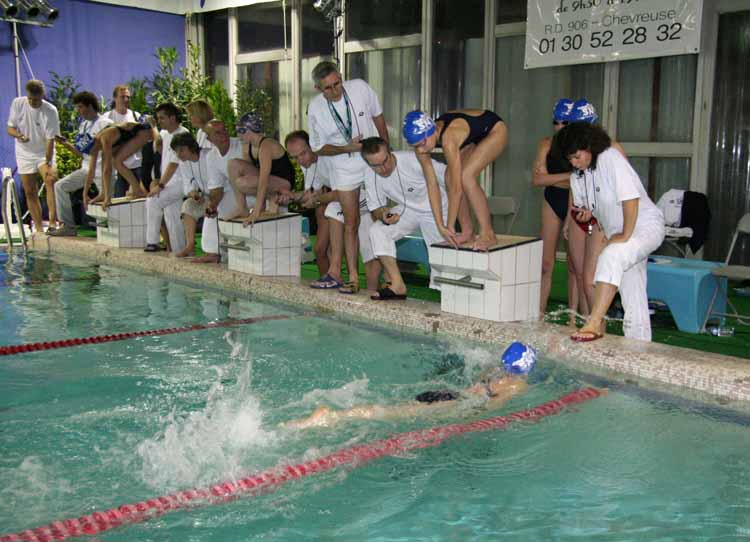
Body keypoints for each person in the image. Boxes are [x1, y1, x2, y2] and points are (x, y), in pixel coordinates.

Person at [552, 122, 665, 342]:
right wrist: (587, 214)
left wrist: (625, 235)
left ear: (588, 147)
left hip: (645, 225)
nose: (574, 163)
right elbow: (592, 209)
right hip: (619, 231)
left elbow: (630, 198)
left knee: (612, 255)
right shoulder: (578, 176)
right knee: (632, 292)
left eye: (577, 156)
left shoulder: (610, 158)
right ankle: (639, 346)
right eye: (570, 159)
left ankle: (594, 322)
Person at [282, 341, 535, 429]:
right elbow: (489, 409)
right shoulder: (517, 386)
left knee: (397, 407)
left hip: (444, 393)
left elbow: (476, 385)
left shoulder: (492, 369)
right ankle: (334, 416)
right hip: (454, 402)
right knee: (390, 413)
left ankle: (337, 415)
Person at [307, 60, 389, 294]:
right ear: (318, 89)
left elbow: (378, 117)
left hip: (371, 162)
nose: (335, 91)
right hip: (344, 169)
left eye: (337, 83)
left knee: (379, 220)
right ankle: (352, 278)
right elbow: (318, 148)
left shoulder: (360, 87)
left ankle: (388, 279)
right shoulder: (315, 108)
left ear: (341, 76)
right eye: (328, 88)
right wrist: (347, 148)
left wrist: (386, 149)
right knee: (351, 223)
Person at [533, 98, 607, 322]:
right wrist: (571, 177)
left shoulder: (584, 147)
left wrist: (555, 178)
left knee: (577, 268)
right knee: (545, 264)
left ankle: (578, 318)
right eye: (556, 122)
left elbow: (583, 179)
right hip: (554, 201)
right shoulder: (547, 144)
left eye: (565, 123)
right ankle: (539, 314)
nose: (560, 127)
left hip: (578, 203)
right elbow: (537, 180)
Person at [403, 108, 508, 251]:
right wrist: (441, 225)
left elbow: (456, 189)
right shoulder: (422, 145)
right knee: (448, 177)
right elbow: (432, 184)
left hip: (494, 130)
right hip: (471, 137)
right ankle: (467, 231)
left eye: (422, 144)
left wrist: (450, 226)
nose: (421, 150)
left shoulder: (449, 138)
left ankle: (488, 233)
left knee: (466, 176)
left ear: (431, 131)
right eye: (415, 146)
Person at [361, 137, 449, 301]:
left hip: (437, 207)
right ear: (368, 164)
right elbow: (376, 208)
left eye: (385, 161)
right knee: (378, 230)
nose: (383, 168)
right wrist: (385, 216)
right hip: (407, 208)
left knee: (441, 260)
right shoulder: (370, 174)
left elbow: (451, 176)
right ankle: (397, 285)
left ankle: (453, 299)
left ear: (390, 152)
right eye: (376, 165)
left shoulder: (413, 160)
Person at [48, 91, 114, 237]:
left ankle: (115, 232)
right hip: (87, 169)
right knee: (60, 186)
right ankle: (68, 226)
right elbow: (82, 153)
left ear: (89, 106)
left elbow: (111, 150)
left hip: (103, 170)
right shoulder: (83, 125)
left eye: (80, 107)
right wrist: (65, 144)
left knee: (109, 203)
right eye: (77, 107)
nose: (78, 110)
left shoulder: (106, 124)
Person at [6, 79, 61, 233]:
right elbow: (10, 128)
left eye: (36, 100)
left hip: (44, 152)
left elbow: (50, 140)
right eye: (30, 99)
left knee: (50, 180)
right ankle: (38, 229)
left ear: (42, 96)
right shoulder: (18, 103)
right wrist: (19, 135)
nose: (32, 102)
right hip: (24, 153)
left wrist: (48, 162)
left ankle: (52, 223)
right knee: (30, 191)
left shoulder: (50, 110)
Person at [226, 112, 296, 225]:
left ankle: (274, 195)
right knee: (233, 165)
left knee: (243, 183)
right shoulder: (247, 146)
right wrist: (262, 206)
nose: (238, 135)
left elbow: (263, 180)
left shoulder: (266, 146)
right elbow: (252, 174)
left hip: (284, 182)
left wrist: (256, 212)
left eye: (240, 131)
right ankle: (242, 208)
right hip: (269, 180)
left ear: (249, 131)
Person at [284, 130, 335, 279]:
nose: (300, 160)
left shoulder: (329, 159)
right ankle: (326, 281)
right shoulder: (308, 163)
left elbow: (344, 193)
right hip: (332, 198)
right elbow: (311, 193)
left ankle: (337, 278)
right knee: (320, 249)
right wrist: (291, 196)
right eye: (295, 157)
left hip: (354, 196)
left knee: (330, 249)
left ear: (312, 145)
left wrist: (316, 200)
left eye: (303, 153)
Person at [144, 102, 189, 253]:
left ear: (172, 118)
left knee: (153, 200)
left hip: (180, 182)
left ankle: (152, 242)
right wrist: (153, 128)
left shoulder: (182, 134)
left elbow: (174, 164)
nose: (159, 121)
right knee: (172, 218)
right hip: (170, 182)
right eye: (158, 118)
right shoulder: (165, 133)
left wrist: (160, 185)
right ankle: (179, 250)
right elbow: (158, 141)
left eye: (162, 118)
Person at [86, 119, 155, 209]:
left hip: (143, 131)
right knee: (111, 160)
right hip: (135, 133)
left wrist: (107, 197)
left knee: (117, 162)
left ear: (94, 142)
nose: (93, 152)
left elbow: (108, 170)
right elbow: (91, 171)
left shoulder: (105, 138)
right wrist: (85, 195)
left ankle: (137, 190)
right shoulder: (95, 144)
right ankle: (104, 193)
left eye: (92, 150)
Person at [203, 119, 245, 263]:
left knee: (225, 208)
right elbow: (217, 189)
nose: (223, 135)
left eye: (224, 130)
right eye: (217, 133)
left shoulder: (241, 146)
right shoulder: (211, 156)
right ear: (209, 139)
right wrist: (212, 205)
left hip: (255, 191)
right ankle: (213, 252)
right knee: (213, 210)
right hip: (237, 193)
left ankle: (233, 253)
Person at [170, 132, 214, 258]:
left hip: (220, 196)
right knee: (188, 205)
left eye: (181, 150)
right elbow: (188, 183)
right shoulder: (184, 163)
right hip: (205, 197)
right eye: (176, 152)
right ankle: (190, 246)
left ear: (191, 146)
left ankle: (212, 251)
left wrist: (211, 198)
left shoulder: (209, 155)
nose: (179, 155)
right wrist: (193, 193)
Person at [106, 85, 144, 198]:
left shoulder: (136, 116)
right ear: (115, 98)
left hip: (137, 165)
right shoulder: (107, 117)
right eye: (122, 97)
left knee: (140, 199)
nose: (126, 100)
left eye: (128, 97)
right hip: (118, 169)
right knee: (119, 199)